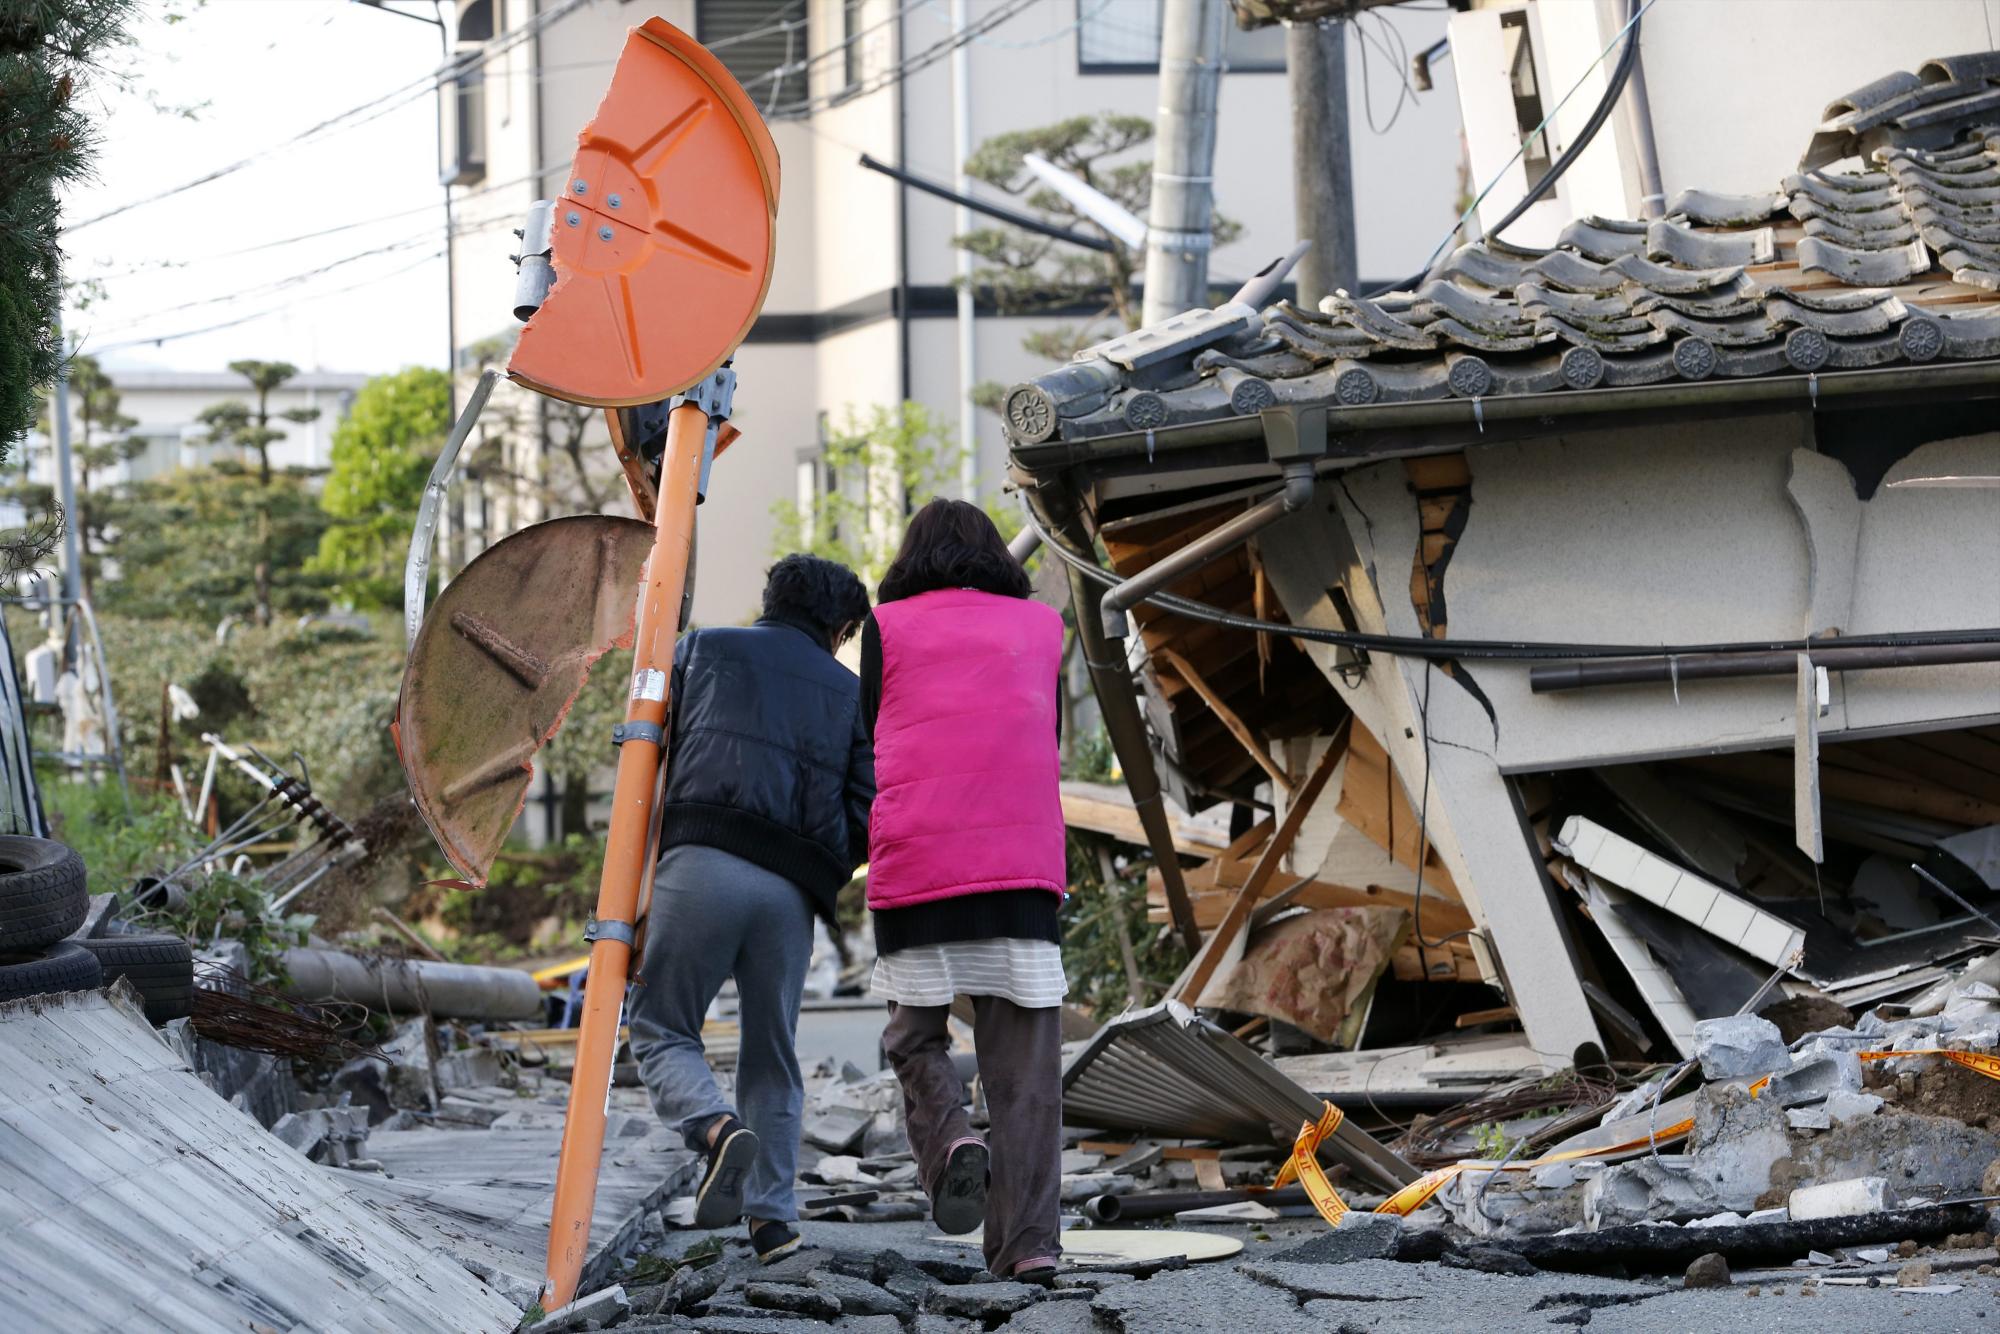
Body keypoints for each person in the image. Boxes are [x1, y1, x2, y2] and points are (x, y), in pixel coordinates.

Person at [628, 553, 874, 1264]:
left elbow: (648, 749)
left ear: (772, 599)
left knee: (663, 1026)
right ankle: (773, 1222)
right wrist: (820, 866)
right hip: (790, 891)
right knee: (773, 1054)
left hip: (701, 860)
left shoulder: (704, 649)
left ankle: (713, 1129)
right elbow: (868, 804)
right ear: (839, 625)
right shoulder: (847, 690)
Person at [862, 498, 1068, 1282]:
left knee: (914, 1035)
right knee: (1026, 1074)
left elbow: (872, 730)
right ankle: (1030, 1247)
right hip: (1021, 869)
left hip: (919, 869)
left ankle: (951, 1139)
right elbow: (1043, 736)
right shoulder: (1043, 627)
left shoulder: (888, 627)